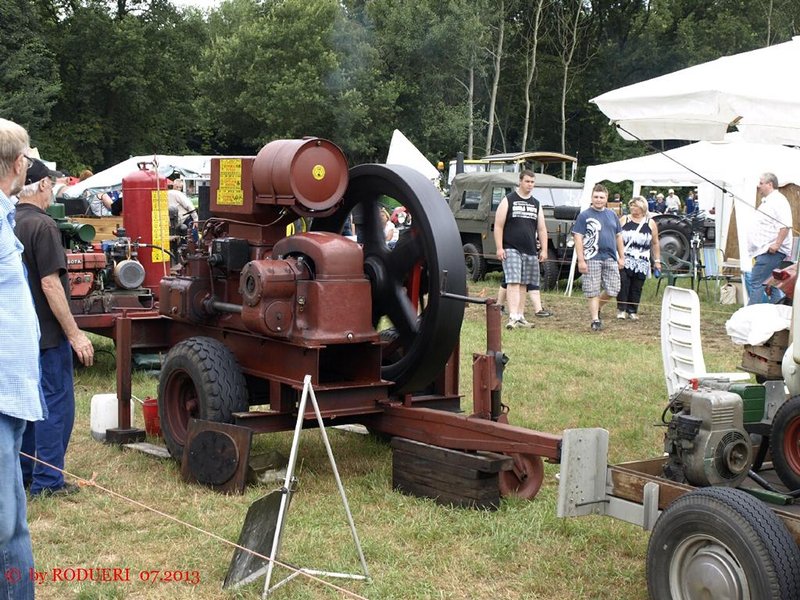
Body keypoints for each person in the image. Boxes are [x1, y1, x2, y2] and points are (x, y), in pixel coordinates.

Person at [16, 158, 95, 498]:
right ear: (44, 185)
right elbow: (51, 286)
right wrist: (75, 334)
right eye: (53, 185)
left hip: (20, 333)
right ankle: (48, 482)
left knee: (27, 408)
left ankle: (27, 475)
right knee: (54, 406)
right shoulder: (44, 227)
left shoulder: (9, 222)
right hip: (47, 336)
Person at [0, 118, 46, 600]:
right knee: (5, 525)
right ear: (18, 164)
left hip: (9, 397)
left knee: (12, 526)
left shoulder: (5, 216)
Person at [493, 169, 548, 329]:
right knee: (513, 281)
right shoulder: (508, 200)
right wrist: (499, 247)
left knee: (524, 283)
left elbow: (542, 229)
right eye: (527, 181)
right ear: (520, 181)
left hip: (530, 249)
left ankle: (520, 315)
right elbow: (498, 225)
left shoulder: (536, 204)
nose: (530, 185)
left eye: (532, 182)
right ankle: (512, 317)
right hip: (511, 248)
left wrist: (544, 249)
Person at [573, 184, 625, 331]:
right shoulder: (584, 215)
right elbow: (578, 238)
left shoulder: (612, 215)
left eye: (601, 197)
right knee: (593, 290)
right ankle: (595, 319)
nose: (598, 200)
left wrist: (622, 257)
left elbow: (619, 237)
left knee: (613, 289)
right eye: (596, 197)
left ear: (606, 198)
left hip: (610, 257)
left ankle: (598, 307)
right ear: (591, 198)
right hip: (592, 257)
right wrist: (581, 260)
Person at [746, 172, 793, 304]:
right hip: (764, 251)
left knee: (756, 282)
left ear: (770, 184)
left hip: (771, 251)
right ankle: (778, 314)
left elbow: (785, 225)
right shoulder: (769, 201)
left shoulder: (778, 201)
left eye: (761, 183)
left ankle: (750, 316)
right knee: (771, 285)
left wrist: (777, 244)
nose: (758, 186)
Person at [616, 197, 661, 320]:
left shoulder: (650, 223)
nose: (633, 208)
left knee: (637, 286)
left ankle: (632, 310)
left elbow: (655, 243)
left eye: (635, 206)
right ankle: (621, 309)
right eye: (631, 205)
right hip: (625, 257)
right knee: (623, 283)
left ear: (642, 208)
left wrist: (657, 261)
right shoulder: (624, 219)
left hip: (642, 260)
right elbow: (616, 236)